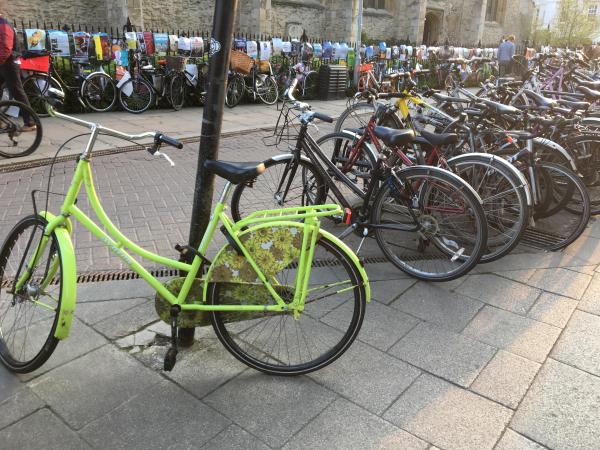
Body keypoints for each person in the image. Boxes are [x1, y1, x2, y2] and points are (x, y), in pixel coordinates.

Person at [0, 14, 36, 131]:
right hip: (3, 63)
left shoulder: (3, 25)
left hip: (9, 63)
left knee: (17, 91)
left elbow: (5, 48)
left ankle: (30, 122)